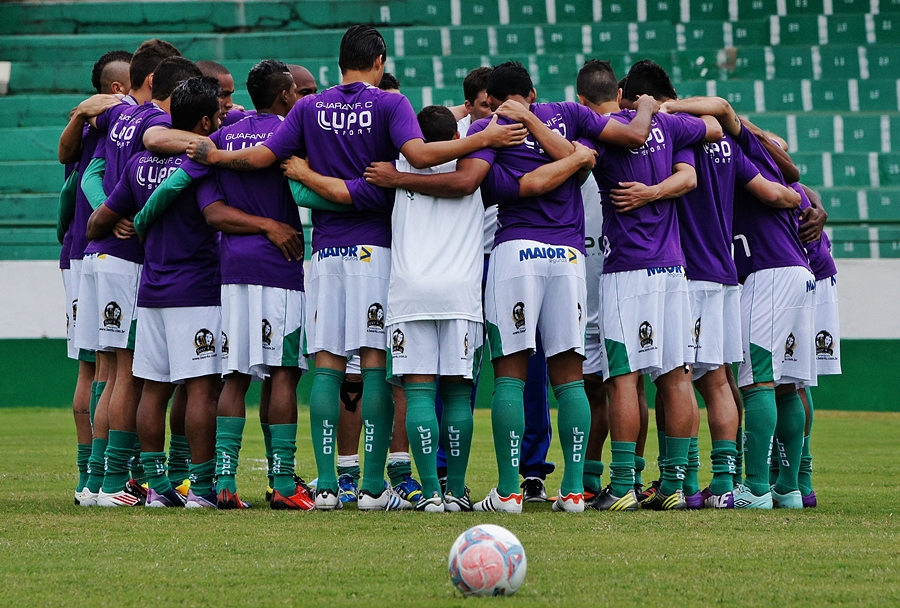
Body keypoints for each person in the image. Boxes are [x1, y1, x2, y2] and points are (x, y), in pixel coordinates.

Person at [186, 24, 526, 511]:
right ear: (379, 60)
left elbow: (263, 156)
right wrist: (485, 137)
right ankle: (370, 485)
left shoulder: (308, 106)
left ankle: (327, 485)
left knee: (326, 364)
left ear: (340, 60)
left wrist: (216, 153)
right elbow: (419, 156)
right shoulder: (390, 104)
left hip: (325, 253)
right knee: (373, 366)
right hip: (374, 250)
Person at [625, 61, 802, 509]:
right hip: (727, 274)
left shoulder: (671, 135)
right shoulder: (723, 140)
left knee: (675, 378)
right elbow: (772, 188)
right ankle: (724, 482)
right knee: (720, 381)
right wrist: (805, 201)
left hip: (687, 273)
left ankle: (679, 483)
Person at [578, 59, 722, 512]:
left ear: (590, 100)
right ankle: (676, 483)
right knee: (676, 375)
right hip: (673, 270)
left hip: (629, 269)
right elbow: (716, 127)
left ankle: (622, 486)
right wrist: (662, 109)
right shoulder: (669, 126)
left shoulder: (604, 129)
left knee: (623, 376)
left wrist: (645, 190)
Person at [87, 76, 225, 508]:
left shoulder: (138, 164)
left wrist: (122, 222)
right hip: (196, 287)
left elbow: (98, 221)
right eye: (217, 115)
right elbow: (216, 215)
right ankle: (202, 489)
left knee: (154, 389)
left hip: (150, 291)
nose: (221, 120)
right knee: (201, 388)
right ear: (203, 121)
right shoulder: (204, 162)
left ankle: (157, 488)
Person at [76, 45, 192, 507]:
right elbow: (153, 148)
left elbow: (91, 168)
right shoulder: (151, 123)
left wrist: (108, 207)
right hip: (126, 256)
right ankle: (110, 485)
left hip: (101, 252)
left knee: (107, 367)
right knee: (127, 370)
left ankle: (93, 482)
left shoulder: (119, 117)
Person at [56, 49, 132, 506]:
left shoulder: (96, 122)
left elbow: (70, 173)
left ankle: (91, 478)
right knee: (107, 361)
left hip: (81, 252)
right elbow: (82, 180)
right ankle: (97, 475)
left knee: (97, 362)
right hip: (100, 250)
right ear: (118, 89)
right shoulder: (109, 124)